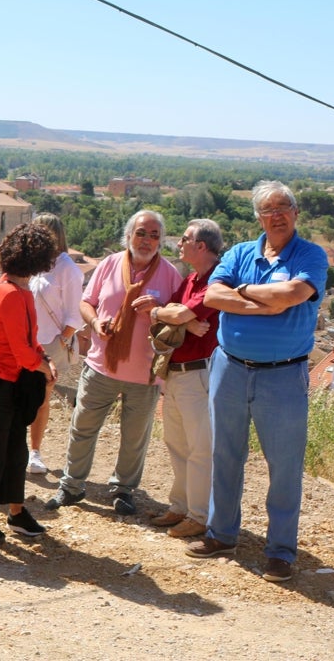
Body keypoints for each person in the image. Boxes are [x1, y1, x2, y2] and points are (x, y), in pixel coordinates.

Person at [187, 181, 327, 583]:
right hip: (229, 368)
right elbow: (212, 297)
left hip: (283, 375)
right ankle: (221, 535)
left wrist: (244, 291)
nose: (277, 215)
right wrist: (264, 302)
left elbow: (291, 294)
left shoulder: (311, 255)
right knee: (225, 455)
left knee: (284, 467)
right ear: (258, 217)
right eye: (268, 210)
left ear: (296, 213)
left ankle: (281, 552)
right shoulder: (239, 252)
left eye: (284, 207)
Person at [46, 209, 182, 516]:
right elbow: (86, 302)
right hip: (100, 366)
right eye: (141, 233)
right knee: (83, 427)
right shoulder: (109, 264)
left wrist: (159, 308)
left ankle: (123, 489)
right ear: (129, 235)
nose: (147, 240)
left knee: (134, 438)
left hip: (144, 372)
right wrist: (95, 324)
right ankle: (71, 486)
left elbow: (179, 315)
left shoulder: (170, 274)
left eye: (154, 235)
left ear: (160, 241)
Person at [0, 223, 59, 542]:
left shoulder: (17, 287)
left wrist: (43, 357)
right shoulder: (10, 292)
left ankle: (16, 512)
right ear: (40, 260)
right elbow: (21, 351)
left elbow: (28, 340)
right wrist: (44, 369)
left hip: (11, 378)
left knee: (16, 449)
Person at [148, 219, 222, 539]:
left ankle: (199, 515)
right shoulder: (191, 279)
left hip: (199, 373)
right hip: (177, 374)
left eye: (185, 240)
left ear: (201, 246)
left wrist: (172, 316)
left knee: (199, 448)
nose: (179, 245)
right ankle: (180, 507)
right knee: (176, 443)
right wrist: (179, 319)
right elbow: (170, 311)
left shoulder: (217, 280)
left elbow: (172, 314)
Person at [26, 213, 84, 475]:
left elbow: (75, 314)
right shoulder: (32, 264)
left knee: (40, 398)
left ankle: (34, 453)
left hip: (50, 343)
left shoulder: (67, 269)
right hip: (25, 339)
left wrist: (59, 342)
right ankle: (17, 448)